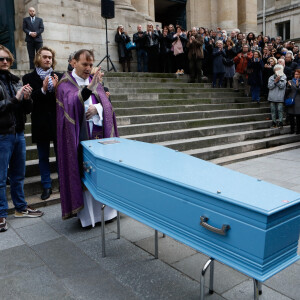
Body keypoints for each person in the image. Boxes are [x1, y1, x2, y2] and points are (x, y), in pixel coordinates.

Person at [56, 49, 118, 226]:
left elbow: (108, 106)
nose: (88, 68)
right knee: (85, 174)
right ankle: (89, 217)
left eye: (91, 65)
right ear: (73, 63)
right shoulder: (65, 84)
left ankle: (107, 214)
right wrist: (89, 90)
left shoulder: (95, 81)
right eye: (85, 64)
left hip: (98, 135)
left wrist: (97, 109)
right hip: (78, 138)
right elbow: (70, 105)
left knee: (100, 172)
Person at [0, 45, 44, 232]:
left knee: (18, 175)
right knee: (1, 178)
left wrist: (27, 99)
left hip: (18, 133)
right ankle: (1, 213)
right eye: (0, 59)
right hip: (2, 134)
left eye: (7, 59)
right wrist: (15, 99)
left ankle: (20, 207)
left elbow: (27, 110)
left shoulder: (15, 80)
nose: (4, 62)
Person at [22, 46, 60, 200]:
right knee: (43, 156)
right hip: (40, 122)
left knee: (60, 155)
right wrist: (43, 89)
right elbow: (30, 101)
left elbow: (64, 100)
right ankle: (47, 186)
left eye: (50, 57)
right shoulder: (28, 78)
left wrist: (57, 90)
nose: (47, 60)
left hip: (57, 121)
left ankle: (63, 183)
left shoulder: (59, 76)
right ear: (38, 58)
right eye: (45, 57)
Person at [267, 64, 287, 128]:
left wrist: (278, 82)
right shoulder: (271, 77)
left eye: (279, 70)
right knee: (273, 110)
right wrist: (275, 81)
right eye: (276, 70)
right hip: (272, 96)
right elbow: (269, 86)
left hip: (280, 96)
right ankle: (274, 122)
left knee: (280, 110)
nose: (277, 71)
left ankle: (281, 122)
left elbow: (282, 86)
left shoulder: (284, 77)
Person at [286, 69, 300, 134]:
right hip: (291, 100)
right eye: (295, 74)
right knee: (291, 116)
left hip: (298, 101)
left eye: (298, 74)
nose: (296, 76)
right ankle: (292, 130)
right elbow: (286, 91)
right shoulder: (290, 81)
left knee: (298, 117)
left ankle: (298, 130)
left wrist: (297, 86)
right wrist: (289, 86)